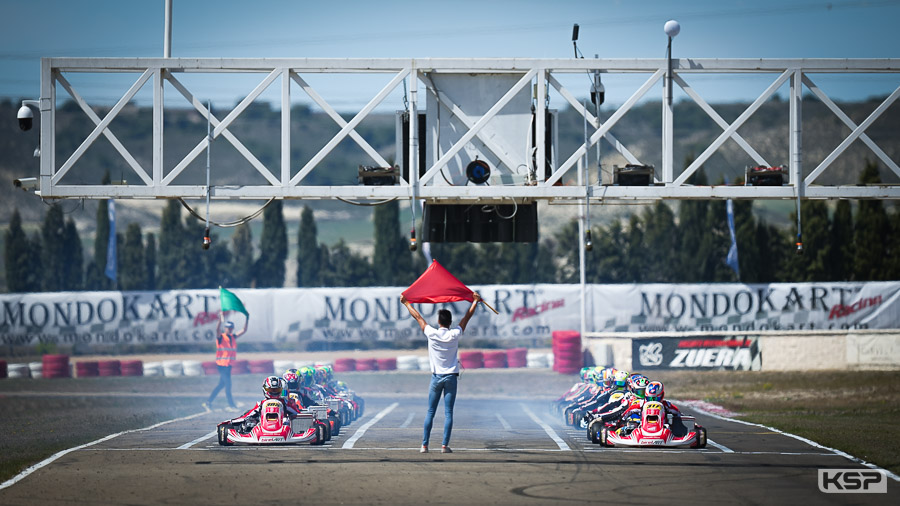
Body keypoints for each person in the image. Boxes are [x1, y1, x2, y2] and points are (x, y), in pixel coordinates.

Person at [400, 292, 481, 454]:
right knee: (448, 412)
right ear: (450, 322)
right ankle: (444, 446)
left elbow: (418, 318)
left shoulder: (432, 333)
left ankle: (424, 445)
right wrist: (475, 302)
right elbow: (467, 318)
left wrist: (406, 303)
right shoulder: (454, 334)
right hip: (451, 377)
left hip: (436, 377)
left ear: (438, 322)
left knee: (430, 411)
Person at [203, 314, 248, 410]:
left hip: (228, 366)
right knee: (228, 385)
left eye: (231, 328)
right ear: (225, 328)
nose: (230, 329)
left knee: (221, 385)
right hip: (221, 366)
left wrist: (247, 318)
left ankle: (208, 402)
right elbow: (217, 329)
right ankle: (231, 405)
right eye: (228, 328)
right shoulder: (221, 337)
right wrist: (220, 319)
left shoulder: (233, 337)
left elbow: (244, 330)